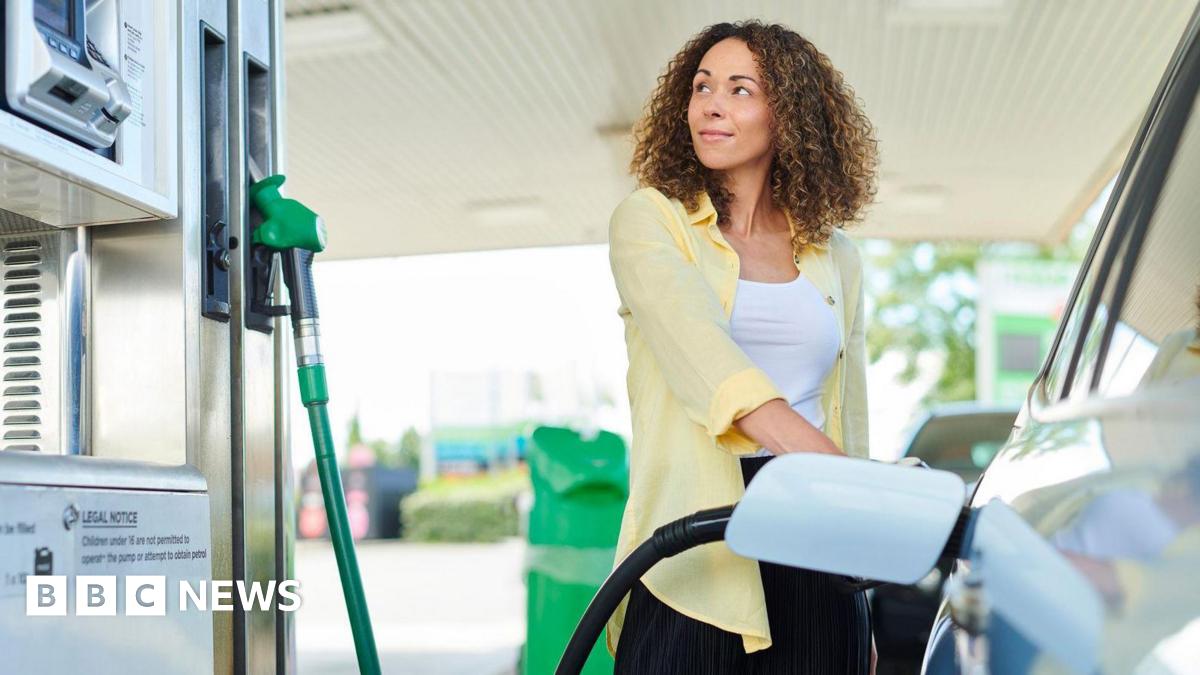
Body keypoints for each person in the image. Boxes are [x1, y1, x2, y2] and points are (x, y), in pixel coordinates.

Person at [605, 20, 879, 674]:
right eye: (701, 87)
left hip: (814, 541)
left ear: (788, 113)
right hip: (693, 556)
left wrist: (859, 583)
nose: (711, 104)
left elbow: (854, 410)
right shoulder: (652, 221)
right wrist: (863, 486)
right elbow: (705, 357)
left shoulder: (835, 255)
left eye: (738, 88)